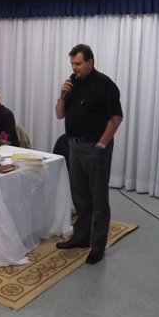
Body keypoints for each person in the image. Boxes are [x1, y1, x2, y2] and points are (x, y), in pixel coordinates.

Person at [55, 44, 123, 264]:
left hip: (95, 148)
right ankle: (81, 237)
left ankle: (98, 246)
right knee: (80, 196)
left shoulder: (104, 84)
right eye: (72, 64)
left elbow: (116, 118)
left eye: (78, 63)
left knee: (98, 199)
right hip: (74, 146)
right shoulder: (72, 84)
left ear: (90, 62)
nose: (74, 68)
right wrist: (62, 95)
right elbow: (59, 115)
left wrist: (102, 144)